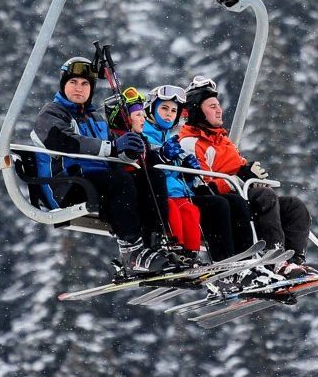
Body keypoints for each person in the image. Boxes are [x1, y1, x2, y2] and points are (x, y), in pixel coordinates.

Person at [32, 56, 171, 275]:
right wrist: (113, 147)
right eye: (73, 82)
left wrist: (129, 153)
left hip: (97, 181)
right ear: (63, 85)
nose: (79, 88)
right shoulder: (51, 114)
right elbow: (68, 142)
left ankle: (153, 243)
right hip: (66, 184)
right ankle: (131, 251)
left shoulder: (94, 117)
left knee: (150, 177)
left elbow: (113, 153)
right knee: (119, 180)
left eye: (85, 84)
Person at [178, 75, 316, 278]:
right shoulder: (191, 142)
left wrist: (250, 173)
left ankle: (293, 261)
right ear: (197, 110)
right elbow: (202, 187)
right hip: (220, 204)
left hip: (241, 197)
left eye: (219, 105)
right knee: (264, 196)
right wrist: (240, 179)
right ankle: (275, 259)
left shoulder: (222, 141)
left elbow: (239, 167)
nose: (219, 110)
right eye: (212, 106)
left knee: (293, 206)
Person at [141, 84, 259, 262]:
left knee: (230, 202)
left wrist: (187, 174)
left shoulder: (168, 138)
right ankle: (221, 259)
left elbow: (175, 176)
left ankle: (237, 258)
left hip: (180, 194)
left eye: (173, 111)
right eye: (164, 108)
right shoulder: (145, 136)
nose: (168, 114)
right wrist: (164, 158)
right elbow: (146, 165)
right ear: (151, 110)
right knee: (217, 205)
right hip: (161, 197)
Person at [102, 87, 179, 259]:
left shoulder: (141, 139)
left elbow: (152, 161)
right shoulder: (114, 138)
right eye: (138, 115)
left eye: (143, 115)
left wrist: (165, 157)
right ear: (124, 118)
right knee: (150, 179)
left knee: (155, 176)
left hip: (140, 186)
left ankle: (156, 239)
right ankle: (136, 247)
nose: (143, 119)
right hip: (125, 189)